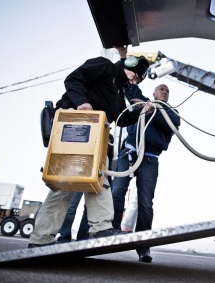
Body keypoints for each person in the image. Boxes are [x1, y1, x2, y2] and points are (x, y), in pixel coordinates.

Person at [28, 47, 151, 248]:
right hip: (75, 127)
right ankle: (41, 239)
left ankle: (102, 228)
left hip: (95, 136)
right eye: (135, 76)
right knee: (64, 182)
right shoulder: (103, 66)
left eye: (138, 80)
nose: (134, 81)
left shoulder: (119, 91)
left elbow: (120, 119)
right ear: (128, 65)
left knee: (98, 177)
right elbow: (73, 80)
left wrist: (139, 111)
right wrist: (82, 103)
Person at [111, 83, 180, 263]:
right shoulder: (142, 103)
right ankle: (112, 232)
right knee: (117, 191)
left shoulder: (171, 114)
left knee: (145, 203)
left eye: (167, 90)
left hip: (149, 159)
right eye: (161, 89)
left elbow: (172, 124)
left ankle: (143, 247)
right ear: (154, 93)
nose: (164, 91)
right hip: (128, 153)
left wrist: (152, 110)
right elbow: (130, 89)